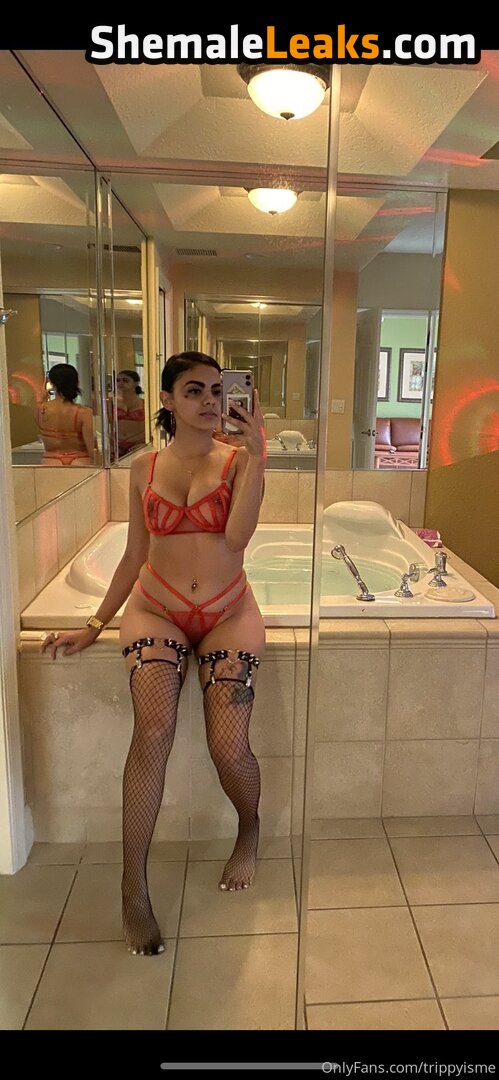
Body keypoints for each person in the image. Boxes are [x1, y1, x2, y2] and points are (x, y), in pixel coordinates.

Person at [41, 351, 267, 957]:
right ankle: (132, 886)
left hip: (228, 612)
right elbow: (134, 553)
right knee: (152, 732)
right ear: (166, 399)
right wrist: (94, 624)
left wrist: (259, 457)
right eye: (194, 390)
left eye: (217, 390)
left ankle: (249, 828)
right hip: (157, 609)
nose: (210, 401)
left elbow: (238, 538)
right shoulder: (143, 466)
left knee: (229, 744)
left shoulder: (240, 461)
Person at [37, 364, 94, 466]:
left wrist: (42, 398)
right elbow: (92, 447)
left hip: (51, 459)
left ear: (51, 383)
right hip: (79, 459)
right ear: (76, 383)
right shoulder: (84, 412)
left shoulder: (40, 410)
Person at [115, 369, 146, 456]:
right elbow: (108, 425)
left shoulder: (144, 403)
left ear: (136, 383)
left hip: (138, 443)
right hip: (116, 444)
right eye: (117, 380)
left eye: (125, 380)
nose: (120, 383)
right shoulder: (111, 403)